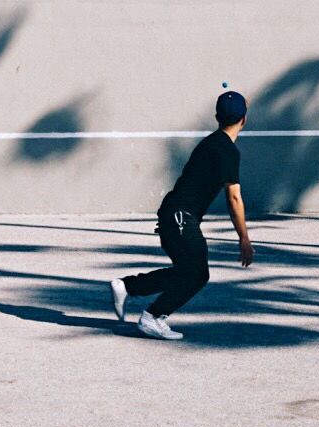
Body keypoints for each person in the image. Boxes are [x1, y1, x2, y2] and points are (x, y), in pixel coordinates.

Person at [109, 90, 254, 340]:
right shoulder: (228, 151)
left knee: (188, 271)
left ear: (217, 117)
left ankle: (128, 286)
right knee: (197, 273)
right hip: (180, 216)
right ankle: (153, 317)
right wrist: (244, 237)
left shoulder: (211, 142)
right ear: (244, 119)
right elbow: (234, 197)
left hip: (174, 214)